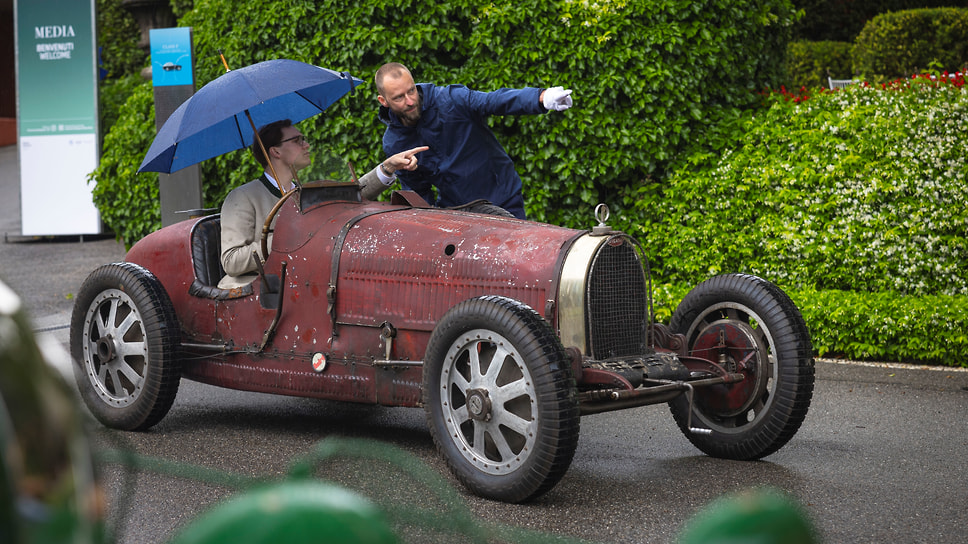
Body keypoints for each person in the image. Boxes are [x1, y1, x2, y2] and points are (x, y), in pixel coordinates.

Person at [218, 119, 427, 289]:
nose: (306, 145)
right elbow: (231, 261)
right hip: (261, 296)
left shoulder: (304, 191)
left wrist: (387, 167)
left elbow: (348, 195)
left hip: (307, 287)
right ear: (276, 151)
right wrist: (285, 237)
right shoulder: (242, 197)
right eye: (298, 140)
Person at [375, 62, 573, 220]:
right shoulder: (395, 144)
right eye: (399, 97)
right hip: (457, 212)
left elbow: (492, 101)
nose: (410, 101)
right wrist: (426, 226)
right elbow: (417, 193)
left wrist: (540, 97)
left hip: (501, 197)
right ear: (383, 101)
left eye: (411, 91)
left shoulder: (450, 99)